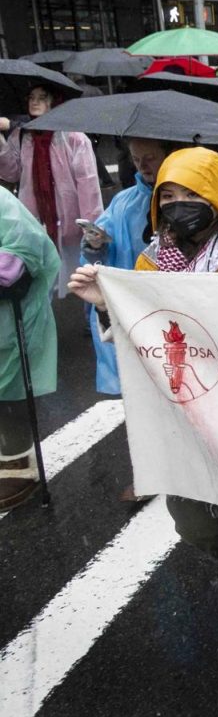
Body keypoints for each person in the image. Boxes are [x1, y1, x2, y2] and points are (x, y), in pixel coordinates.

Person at [69, 147, 218, 670]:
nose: (178, 205)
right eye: (167, 196)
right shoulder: (151, 262)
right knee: (198, 523)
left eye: (191, 194)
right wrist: (109, 302)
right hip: (189, 415)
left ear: (217, 196)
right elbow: (143, 333)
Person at [80, 137, 173, 395]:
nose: (142, 166)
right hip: (133, 306)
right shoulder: (123, 202)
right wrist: (95, 244)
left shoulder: (185, 200)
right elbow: (95, 252)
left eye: (150, 158)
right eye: (135, 159)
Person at [0, 85, 103, 296]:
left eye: (42, 97)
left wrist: (93, 226)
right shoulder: (23, 135)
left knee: (84, 273)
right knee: (37, 276)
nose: (34, 102)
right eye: (31, 97)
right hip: (35, 220)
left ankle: (93, 315)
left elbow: (88, 184)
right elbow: (12, 173)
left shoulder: (73, 137)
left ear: (54, 102)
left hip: (70, 222)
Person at [0, 187, 60, 512]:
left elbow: (24, 253)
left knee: (8, 395)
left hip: (7, 322)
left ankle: (19, 468)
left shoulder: (2, 204)